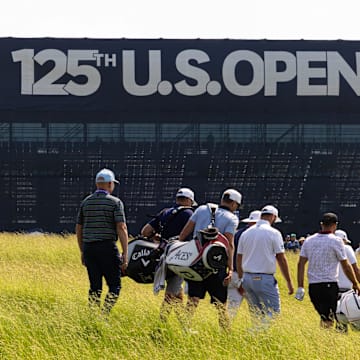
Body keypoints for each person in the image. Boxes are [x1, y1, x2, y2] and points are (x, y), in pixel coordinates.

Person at [178, 189, 241, 331]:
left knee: (193, 299)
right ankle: (225, 332)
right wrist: (230, 268)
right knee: (220, 304)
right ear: (233, 203)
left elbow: (185, 232)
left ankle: (184, 328)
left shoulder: (201, 209)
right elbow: (229, 244)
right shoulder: (231, 218)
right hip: (215, 265)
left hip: (195, 262)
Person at [76, 168, 128, 315]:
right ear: (110, 184)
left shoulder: (86, 202)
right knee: (114, 285)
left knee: (95, 286)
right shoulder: (115, 202)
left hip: (89, 248)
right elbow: (121, 227)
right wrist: (125, 253)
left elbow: (79, 228)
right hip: (107, 247)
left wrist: (82, 251)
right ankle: (104, 315)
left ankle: (93, 315)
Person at [141, 187, 196, 323]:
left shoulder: (165, 212)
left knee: (177, 290)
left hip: (163, 256)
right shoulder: (190, 214)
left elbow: (145, 232)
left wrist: (159, 238)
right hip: (180, 257)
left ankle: (184, 325)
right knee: (171, 293)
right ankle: (160, 325)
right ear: (189, 200)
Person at [296, 213, 360, 329]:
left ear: (321, 224)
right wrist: (355, 283)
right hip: (330, 284)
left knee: (325, 316)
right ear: (335, 225)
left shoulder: (309, 241)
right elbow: (346, 265)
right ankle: (331, 341)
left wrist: (300, 286)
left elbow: (301, 264)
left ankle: (327, 339)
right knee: (332, 317)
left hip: (313, 286)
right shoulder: (336, 241)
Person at [236, 205, 294, 329]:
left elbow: (239, 257)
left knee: (256, 314)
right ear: (273, 217)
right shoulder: (274, 233)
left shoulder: (246, 233)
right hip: (264, 278)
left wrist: (241, 279)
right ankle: (253, 333)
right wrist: (289, 282)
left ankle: (255, 338)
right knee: (274, 312)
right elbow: (281, 258)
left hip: (247, 278)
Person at [227, 210, 261, 321]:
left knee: (231, 307)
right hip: (251, 275)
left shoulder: (237, 233)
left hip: (235, 273)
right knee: (256, 309)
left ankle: (224, 331)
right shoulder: (257, 235)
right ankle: (256, 333)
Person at [334, 229, 360, 332]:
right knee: (352, 317)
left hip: (330, 289)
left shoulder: (328, 249)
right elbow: (355, 269)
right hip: (346, 291)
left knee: (336, 321)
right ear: (344, 240)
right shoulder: (347, 248)